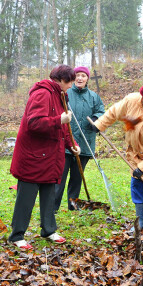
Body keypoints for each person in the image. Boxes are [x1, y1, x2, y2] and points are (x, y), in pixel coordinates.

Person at [9, 65, 81, 251]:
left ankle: (49, 230)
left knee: (49, 194)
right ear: (62, 80)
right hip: (33, 156)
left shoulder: (60, 95)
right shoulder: (43, 93)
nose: (71, 86)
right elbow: (34, 123)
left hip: (50, 156)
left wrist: (70, 144)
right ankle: (17, 235)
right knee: (26, 197)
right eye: (70, 82)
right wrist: (59, 120)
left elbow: (63, 128)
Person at [92, 80, 143, 236]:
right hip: (134, 154)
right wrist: (100, 124)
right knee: (136, 185)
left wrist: (142, 168)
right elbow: (114, 112)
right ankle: (140, 221)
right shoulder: (131, 101)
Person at [54, 66, 105, 211]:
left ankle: (73, 205)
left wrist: (96, 120)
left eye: (83, 75)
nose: (80, 78)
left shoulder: (94, 97)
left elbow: (101, 111)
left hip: (84, 143)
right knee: (59, 178)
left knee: (77, 178)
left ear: (87, 78)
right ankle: (53, 207)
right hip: (65, 144)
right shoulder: (66, 93)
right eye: (77, 75)